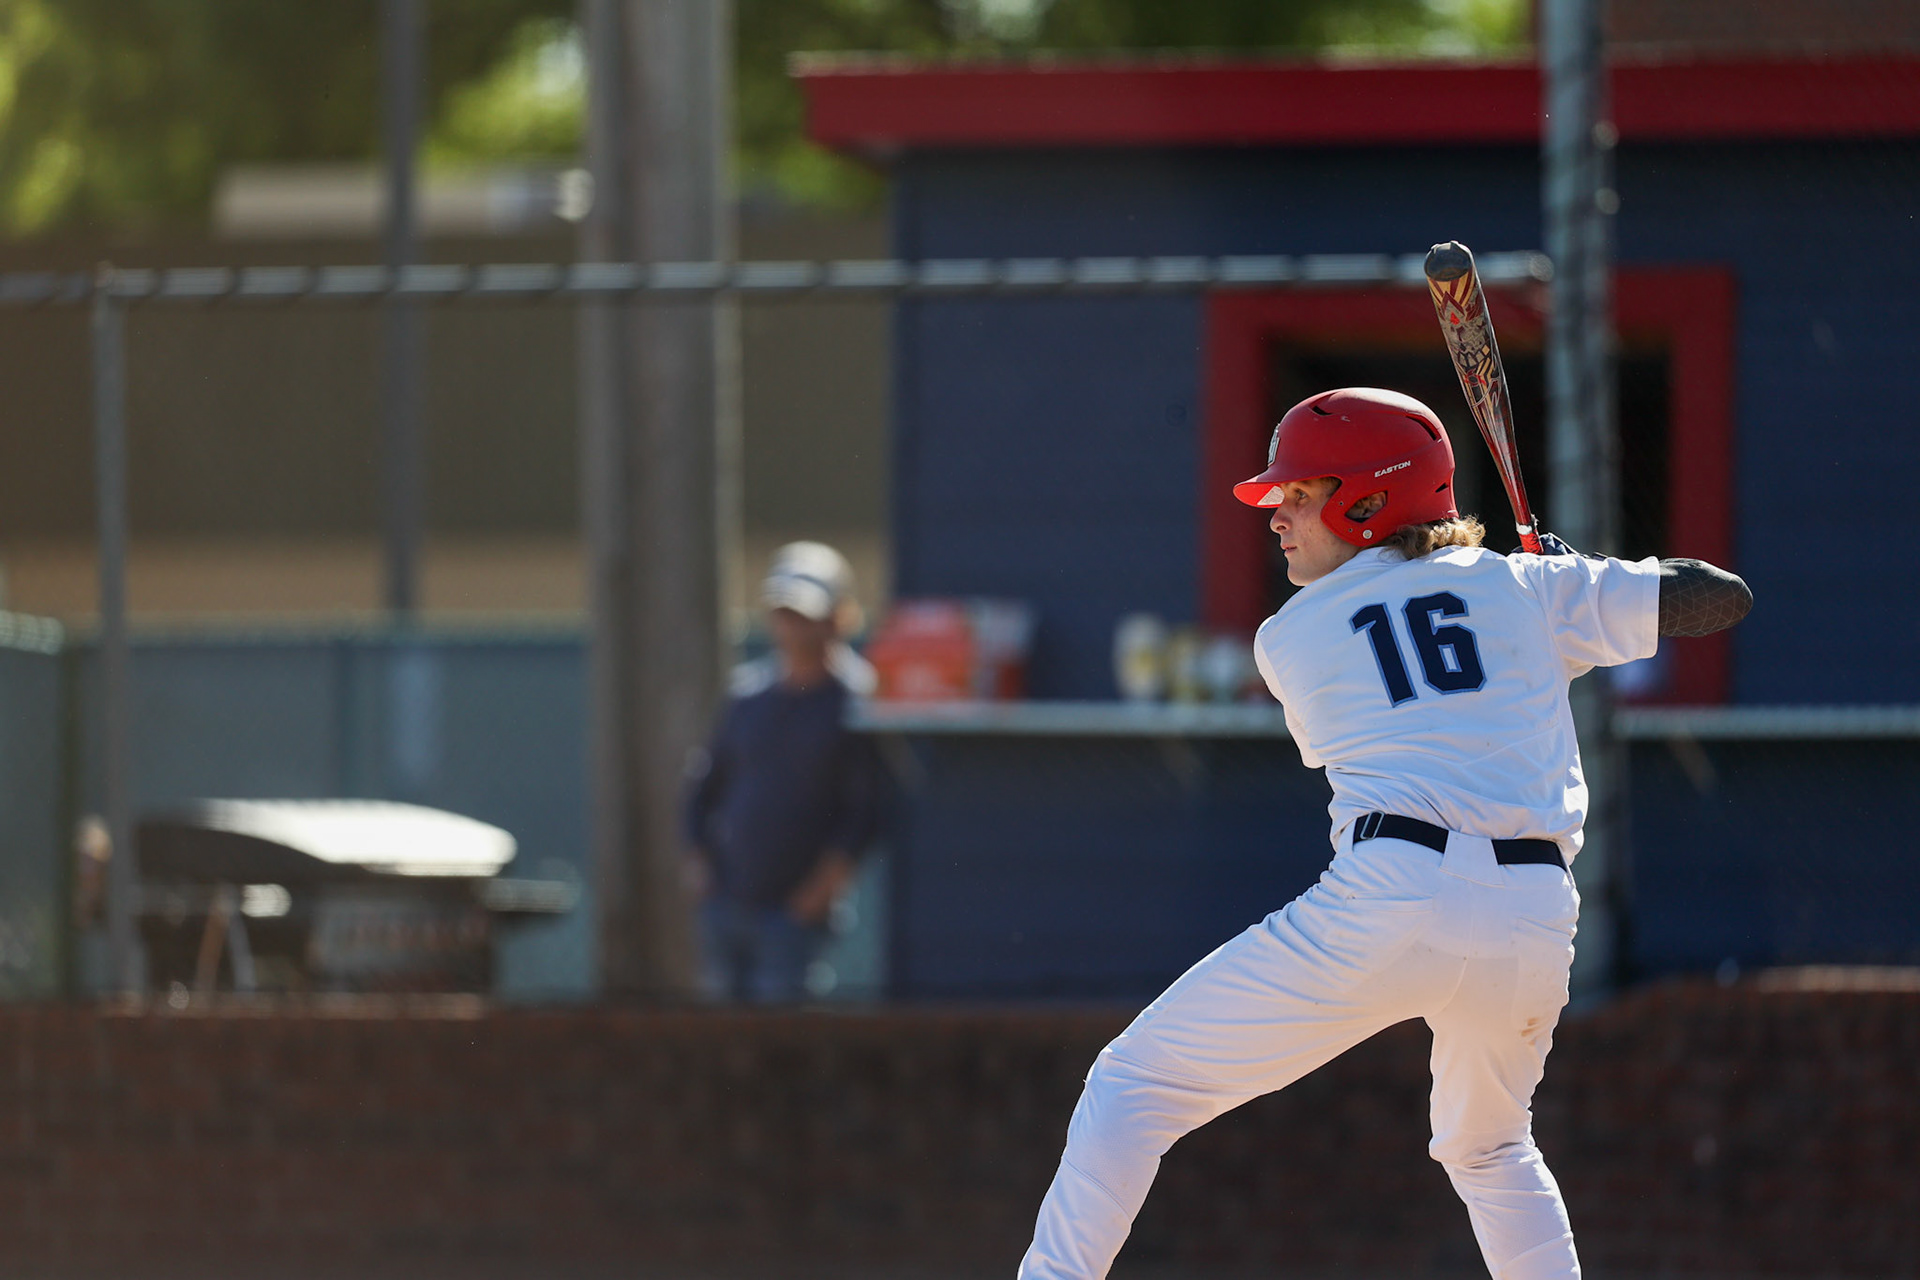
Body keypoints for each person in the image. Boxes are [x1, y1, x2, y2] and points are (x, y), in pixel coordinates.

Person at [1019, 387, 1752, 1280]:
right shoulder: (1525, 585)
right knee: (1489, 1149)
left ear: (1367, 501)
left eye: (1300, 493)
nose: (1278, 515)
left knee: (1131, 1086)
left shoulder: (1287, 638)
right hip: (1534, 915)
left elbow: (1420, 641)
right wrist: (1571, 576)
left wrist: (1537, 592)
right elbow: (1717, 597)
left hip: (1393, 891)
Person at [683, 541, 882, 1003]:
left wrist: (818, 892)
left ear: (839, 617)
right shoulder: (747, 696)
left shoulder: (859, 702)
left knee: (782, 1041)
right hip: (726, 906)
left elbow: (866, 812)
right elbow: (704, 787)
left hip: (793, 918)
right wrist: (701, 866)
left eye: (804, 614)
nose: (791, 626)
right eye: (783, 612)